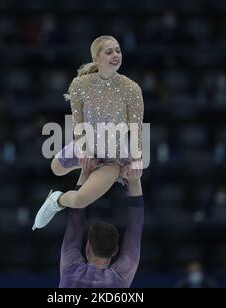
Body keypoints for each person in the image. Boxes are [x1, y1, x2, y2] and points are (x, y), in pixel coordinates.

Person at [32, 35, 144, 230]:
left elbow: (136, 128)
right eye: (109, 52)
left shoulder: (132, 89)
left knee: (81, 200)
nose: (115, 55)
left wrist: (136, 159)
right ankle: (83, 167)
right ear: (96, 58)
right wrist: (84, 150)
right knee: (56, 168)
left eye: (118, 50)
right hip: (87, 143)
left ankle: (56, 201)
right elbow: (78, 123)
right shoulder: (80, 85)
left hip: (113, 157)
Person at [59, 158, 144, 288]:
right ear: (115, 250)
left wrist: (85, 173)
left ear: (88, 246)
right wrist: (135, 181)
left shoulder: (70, 269)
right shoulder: (120, 277)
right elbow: (135, 231)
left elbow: (75, 222)